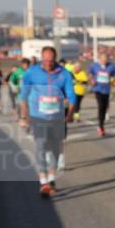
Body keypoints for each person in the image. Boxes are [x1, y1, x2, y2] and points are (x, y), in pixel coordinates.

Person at [19, 46, 76, 197]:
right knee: (41, 145)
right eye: (45, 60)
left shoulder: (64, 74)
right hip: (38, 115)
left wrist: (70, 113)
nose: (48, 63)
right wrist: (24, 117)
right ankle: (43, 181)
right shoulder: (32, 72)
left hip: (57, 116)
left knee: (56, 148)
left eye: (51, 61)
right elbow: (23, 96)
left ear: (55, 59)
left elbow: (71, 95)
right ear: (41, 58)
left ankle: (51, 177)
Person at [88, 52, 115, 137]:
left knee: (105, 107)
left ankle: (101, 124)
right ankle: (100, 126)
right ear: (99, 59)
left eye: (105, 60)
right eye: (102, 60)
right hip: (97, 89)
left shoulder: (111, 66)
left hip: (106, 89)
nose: (104, 61)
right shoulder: (94, 66)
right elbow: (90, 73)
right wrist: (92, 80)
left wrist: (112, 81)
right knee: (101, 106)